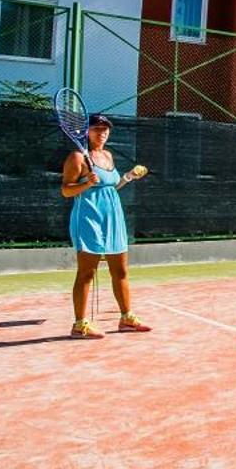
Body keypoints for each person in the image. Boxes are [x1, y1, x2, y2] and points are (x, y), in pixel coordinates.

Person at [61, 114, 150, 338]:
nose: (102, 133)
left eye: (105, 129)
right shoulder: (77, 158)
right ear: (86, 132)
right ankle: (80, 324)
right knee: (86, 273)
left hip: (113, 218)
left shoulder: (108, 156)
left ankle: (126, 318)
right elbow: (66, 190)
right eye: (97, 129)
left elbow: (110, 187)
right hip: (89, 218)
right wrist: (86, 183)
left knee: (120, 271)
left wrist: (128, 177)